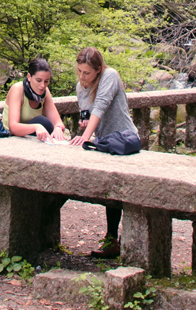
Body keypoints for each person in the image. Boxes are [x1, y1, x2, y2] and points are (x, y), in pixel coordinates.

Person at [70, 46, 137, 258]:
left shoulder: (110, 76)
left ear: (98, 70)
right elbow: (90, 114)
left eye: (87, 72)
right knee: (108, 193)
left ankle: (116, 240)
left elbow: (101, 106)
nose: (82, 76)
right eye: (79, 71)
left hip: (122, 141)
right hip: (103, 144)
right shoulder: (81, 87)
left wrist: (86, 136)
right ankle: (112, 240)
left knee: (120, 194)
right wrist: (86, 126)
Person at [2, 57, 67, 141]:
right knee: (41, 121)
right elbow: (13, 127)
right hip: (11, 136)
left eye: (46, 81)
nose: (43, 85)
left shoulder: (45, 92)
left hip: (31, 137)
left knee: (44, 123)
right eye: (38, 80)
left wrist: (58, 128)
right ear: (29, 77)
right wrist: (36, 126)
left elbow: (58, 122)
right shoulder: (18, 89)